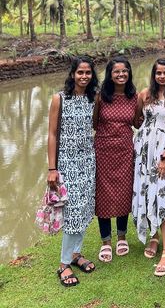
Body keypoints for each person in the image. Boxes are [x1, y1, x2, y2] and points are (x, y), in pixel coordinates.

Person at [47, 56, 98, 287]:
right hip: (67, 163)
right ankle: (63, 264)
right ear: (72, 74)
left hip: (87, 161)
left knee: (84, 208)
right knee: (73, 211)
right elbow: (52, 135)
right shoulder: (59, 98)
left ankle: (76, 255)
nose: (84, 76)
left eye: (88, 72)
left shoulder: (92, 98)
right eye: (80, 73)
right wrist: (52, 168)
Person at [132, 58, 165, 277]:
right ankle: (153, 235)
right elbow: (137, 121)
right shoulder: (145, 94)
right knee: (147, 194)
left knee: (164, 196)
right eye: (158, 73)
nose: (162, 76)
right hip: (144, 152)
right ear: (153, 75)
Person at [94, 57, 141, 263]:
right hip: (103, 150)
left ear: (129, 73)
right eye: (116, 72)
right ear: (110, 74)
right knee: (103, 195)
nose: (121, 75)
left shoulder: (134, 97)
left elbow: (138, 123)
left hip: (125, 150)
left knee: (123, 192)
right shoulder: (101, 97)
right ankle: (106, 241)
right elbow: (95, 123)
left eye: (124, 71)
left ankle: (122, 236)